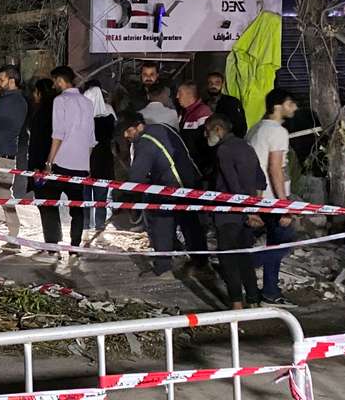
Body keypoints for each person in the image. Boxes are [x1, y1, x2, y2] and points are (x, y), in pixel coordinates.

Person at [120, 112, 208, 276]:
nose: (126, 135)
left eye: (128, 130)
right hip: (190, 181)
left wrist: (124, 194)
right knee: (191, 224)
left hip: (169, 188)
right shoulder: (163, 127)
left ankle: (163, 266)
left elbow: (135, 178)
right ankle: (201, 262)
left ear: (139, 126)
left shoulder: (145, 142)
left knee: (161, 224)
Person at [205, 114, 266, 309]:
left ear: (218, 130)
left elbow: (232, 184)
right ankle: (254, 300)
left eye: (207, 132)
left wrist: (247, 211)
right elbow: (260, 180)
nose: (206, 136)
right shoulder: (246, 146)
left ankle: (236, 303)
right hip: (247, 211)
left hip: (229, 213)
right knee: (244, 256)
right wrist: (254, 209)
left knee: (228, 258)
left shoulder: (224, 149)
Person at [246, 88, 299, 305]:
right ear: (278, 106)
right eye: (290, 103)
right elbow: (275, 168)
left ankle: (270, 291)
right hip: (270, 198)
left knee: (275, 243)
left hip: (257, 197)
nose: (294, 107)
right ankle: (244, 264)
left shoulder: (256, 128)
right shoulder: (277, 132)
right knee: (282, 243)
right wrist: (284, 203)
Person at [36, 66, 95, 248]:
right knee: (77, 210)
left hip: (61, 162)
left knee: (49, 202)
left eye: (55, 81)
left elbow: (58, 135)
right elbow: (91, 139)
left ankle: (53, 244)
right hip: (81, 165)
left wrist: (48, 163)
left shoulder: (60, 101)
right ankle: (75, 246)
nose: (54, 85)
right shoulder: (87, 103)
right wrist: (88, 166)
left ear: (60, 80)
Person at [0, 64, 27, 242]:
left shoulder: (9, 101)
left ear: (12, 80)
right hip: (7, 156)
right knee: (5, 198)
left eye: (1, 79)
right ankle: (12, 237)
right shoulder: (18, 101)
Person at [82, 83, 116, 231]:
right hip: (105, 161)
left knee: (85, 197)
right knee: (101, 198)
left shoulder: (86, 118)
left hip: (88, 161)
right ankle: (99, 226)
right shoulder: (109, 116)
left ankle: (85, 226)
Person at [176, 81, 215, 183]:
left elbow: (208, 142)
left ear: (189, 95)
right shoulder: (183, 112)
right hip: (187, 164)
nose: (177, 97)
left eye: (180, 93)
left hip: (199, 167)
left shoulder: (203, 113)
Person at [206, 72, 248, 137]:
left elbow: (241, 127)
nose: (213, 86)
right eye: (210, 83)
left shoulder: (232, 103)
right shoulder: (203, 104)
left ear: (222, 84)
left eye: (217, 83)